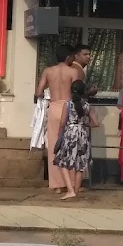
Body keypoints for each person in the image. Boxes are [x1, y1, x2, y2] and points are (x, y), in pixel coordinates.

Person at [35, 45, 77, 192]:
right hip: (69, 108)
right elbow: (76, 91)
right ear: (67, 57)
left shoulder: (48, 71)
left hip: (53, 108)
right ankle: (70, 182)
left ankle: (57, 184)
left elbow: (39, 91)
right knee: (70, 146)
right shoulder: (73, 71)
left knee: (54, 146)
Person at [54, 80, 98, 201]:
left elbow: (63, 123)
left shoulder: (68, 104)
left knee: (63, 162)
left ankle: (70, 190)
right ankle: (75, 192)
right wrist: (85, 125)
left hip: (70, 134)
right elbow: (96, 123)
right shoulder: (87, 106)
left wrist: (59, 135)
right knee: (80, 164)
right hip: (82, 134)